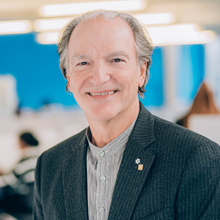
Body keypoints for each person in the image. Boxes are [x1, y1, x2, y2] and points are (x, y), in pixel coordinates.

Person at [33, 10, 220, 219]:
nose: (99, 77)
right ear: (68, 77)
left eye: (116, 59)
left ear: (141, 71)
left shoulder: (196, 158)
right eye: (83, 63)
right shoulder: (49, 166)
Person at [0, 132, 39, 219]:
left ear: (22, 142)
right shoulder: (42, 154)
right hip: (40, 198)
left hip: (29, 201)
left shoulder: (27, 156)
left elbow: (11, 179)